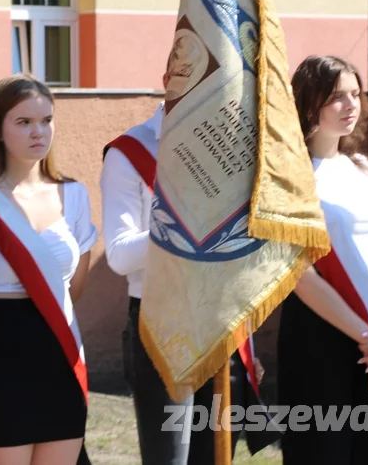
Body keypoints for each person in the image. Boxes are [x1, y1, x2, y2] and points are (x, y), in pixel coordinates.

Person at [101, 61, 272, 464]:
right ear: (168, 82)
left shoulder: (230, 152)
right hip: (162, 324)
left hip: (220, 321)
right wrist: (185, 223)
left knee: (214, 457)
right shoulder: (130, 153)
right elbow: (121, 255)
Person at [278, 56, 368, 464]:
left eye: (355, 94)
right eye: (337, 96)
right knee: (327, 451)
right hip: (320, 332)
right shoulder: (289, 180)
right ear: (309, 104)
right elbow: (299, 276)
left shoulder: (367, 171)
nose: (351, 104)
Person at [0, 74, 98, 465]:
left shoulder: (74, 195)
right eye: (23, 122)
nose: (38, 132)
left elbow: (74, 288)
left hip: (59, 355)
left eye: (46, 120)